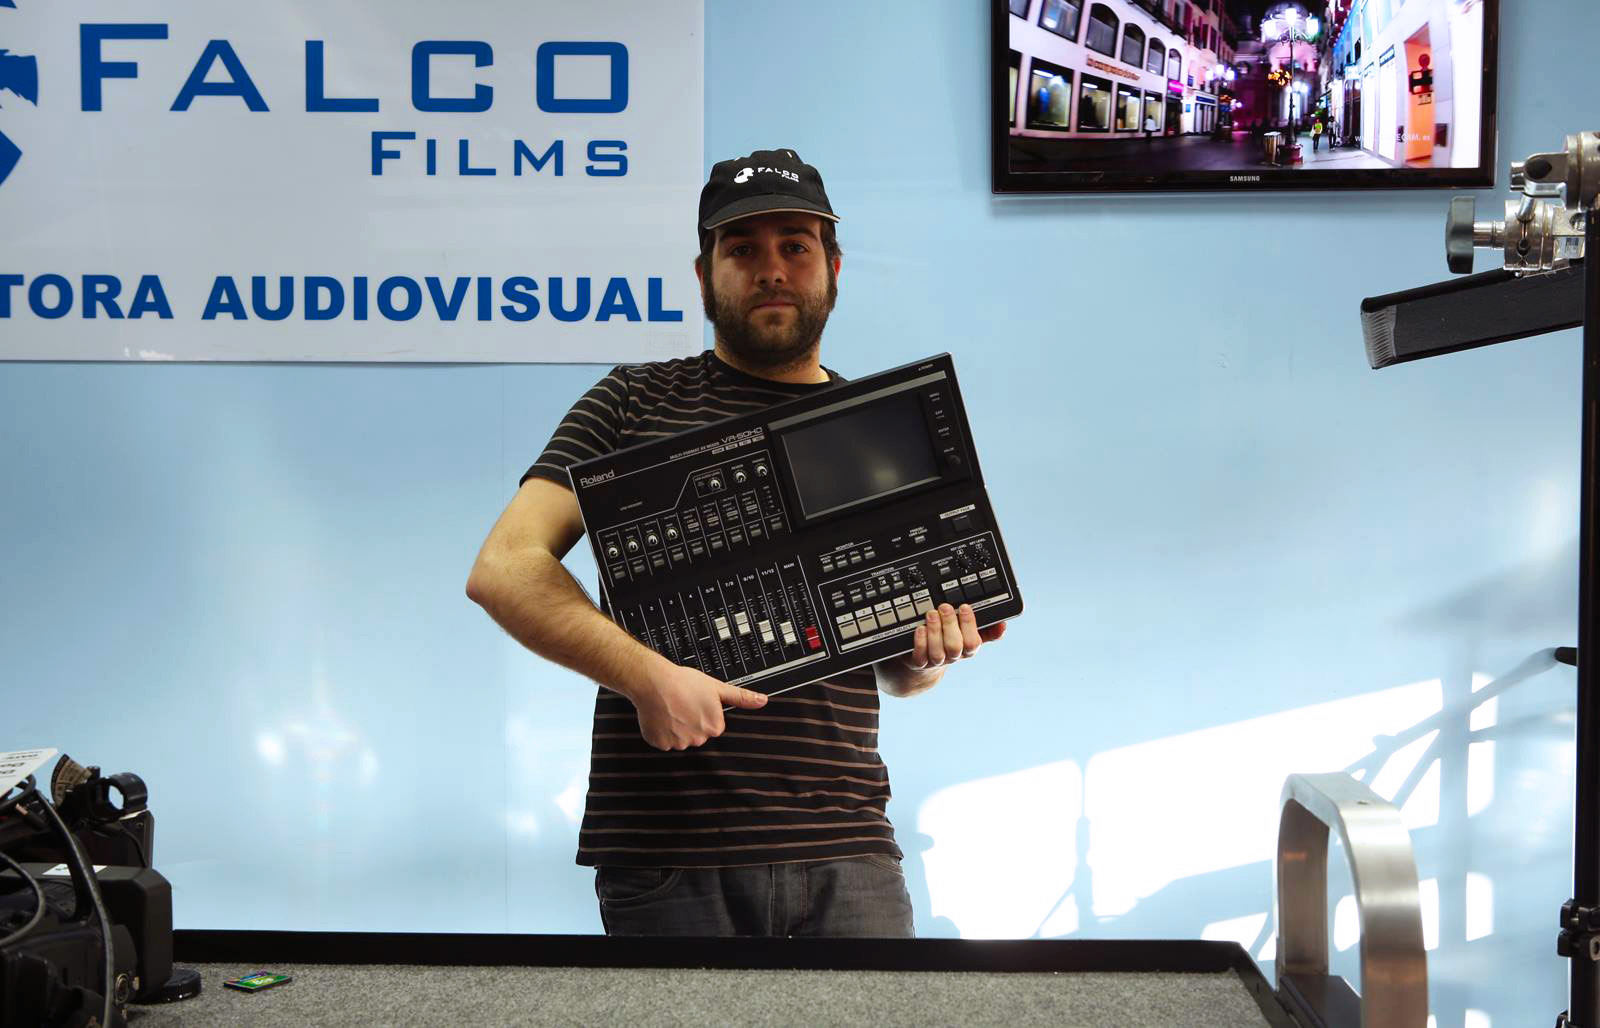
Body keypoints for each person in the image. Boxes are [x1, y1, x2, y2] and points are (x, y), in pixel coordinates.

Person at [466, 148, 1007, 938]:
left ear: (833, 268)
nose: (772, 268)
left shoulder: (879, 428)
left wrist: (926, 658)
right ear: (704, 275)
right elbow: (504, 567)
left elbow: (896, 672)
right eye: (742, 248)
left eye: (795, 245)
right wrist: (646, 677)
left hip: (848, 849)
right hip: (671, 856)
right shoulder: (631, 400)